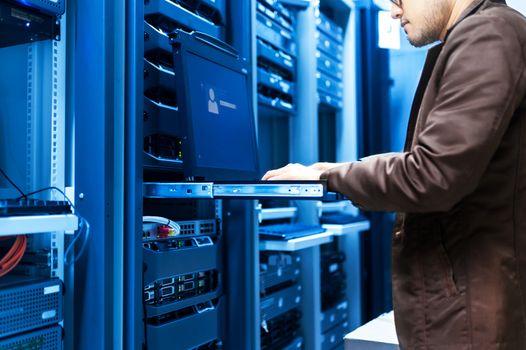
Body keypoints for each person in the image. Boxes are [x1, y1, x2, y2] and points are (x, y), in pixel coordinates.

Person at [263, 0, 526, 348]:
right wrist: (337, 169)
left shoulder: (488, 34)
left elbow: (431, 174)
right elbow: (435, 160)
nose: (393, 12)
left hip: (469, 320)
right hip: (465, 310)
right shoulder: (476, 37)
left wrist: (333, 178)